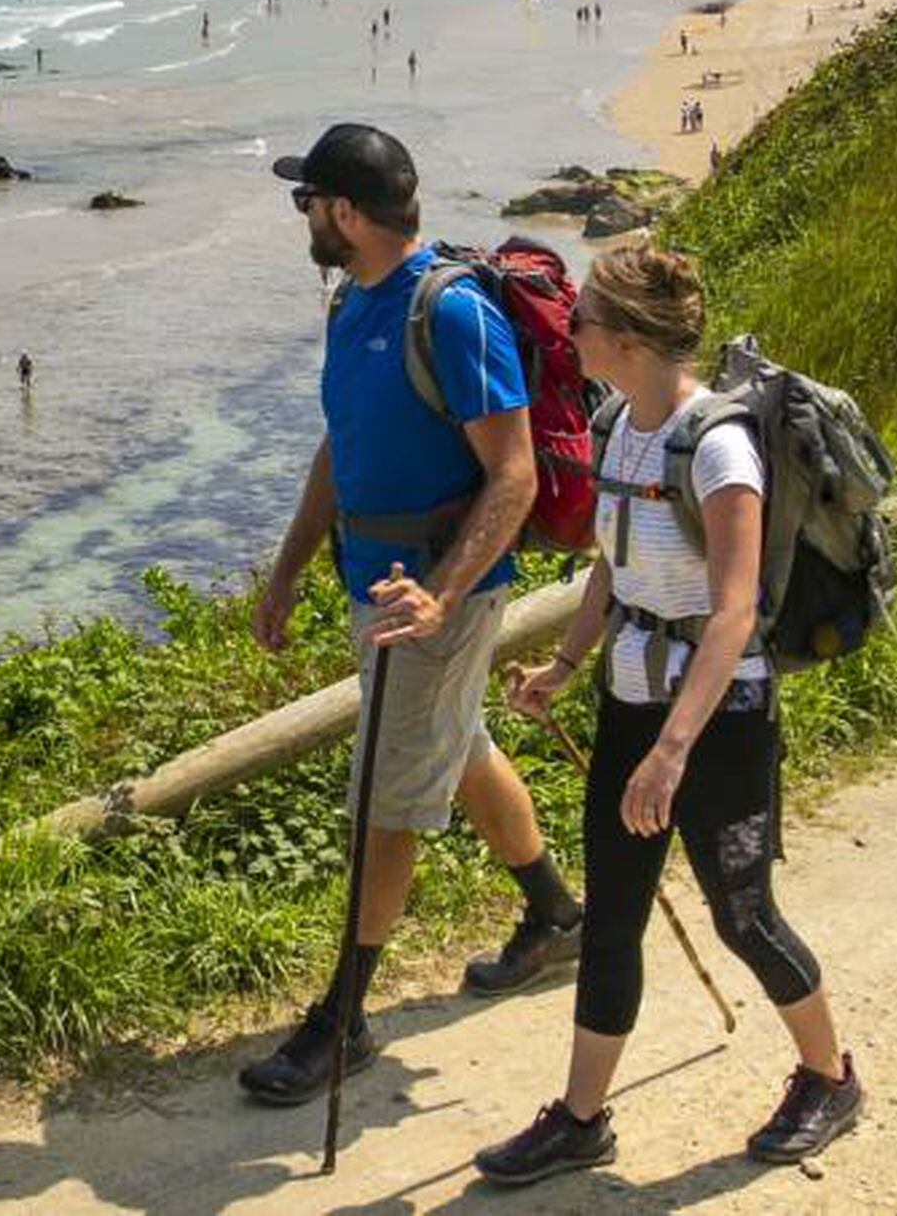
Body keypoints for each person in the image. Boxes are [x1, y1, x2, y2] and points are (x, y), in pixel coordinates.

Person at [477, 248, 861, 1185]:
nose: (570, 329)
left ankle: (830, 1077)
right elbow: (613, 561)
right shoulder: (618, 426)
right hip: (630, 702)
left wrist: (672, 752)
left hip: (717, 718)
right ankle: (580, 1119)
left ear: (628, 337)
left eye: (585, 317)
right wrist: (566, 666)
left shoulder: (719, 447)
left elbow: (733, 611)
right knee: (611, 918)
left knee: (743, 917)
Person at [239, 124, 584, 1107]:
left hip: (433, 601)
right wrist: (289, 569)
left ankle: (341, 1018)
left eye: (308, 200)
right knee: (457, 744)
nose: (302, 215)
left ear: (345, 212)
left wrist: (442, 595)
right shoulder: (354, 303)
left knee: (386, 804)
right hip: (374, 586)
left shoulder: (453, 313)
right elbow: (340, 446)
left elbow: (512, 476)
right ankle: (556, 917)